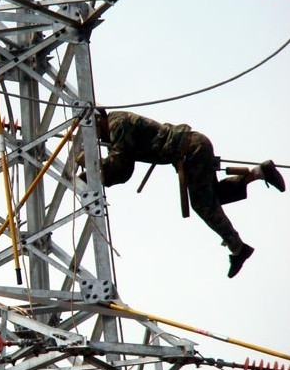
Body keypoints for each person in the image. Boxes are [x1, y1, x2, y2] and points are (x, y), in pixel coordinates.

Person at [80, 110, 285, 278]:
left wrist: (90, 166)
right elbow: (124, 170)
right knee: (214, 196)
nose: (97, 138)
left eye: (94, 132)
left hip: (191, 150)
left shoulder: (116, 124)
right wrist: (95, 173)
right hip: (194, 147)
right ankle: (259, 173)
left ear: (97, 120)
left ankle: (238, 247)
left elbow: (119, 163)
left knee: (203, 204)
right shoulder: (116, 125)